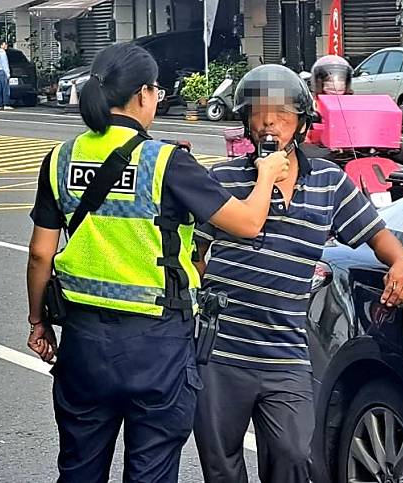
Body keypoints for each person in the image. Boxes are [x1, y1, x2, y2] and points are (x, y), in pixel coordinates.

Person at [25, 43, 290, 483]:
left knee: (78, 467)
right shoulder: (167, 162)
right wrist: (265, 175)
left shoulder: (61, 158)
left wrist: (38, 320)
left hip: (83, 340)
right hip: (157, 344)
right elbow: (246, 222)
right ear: (144, 95)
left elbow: (40, 254)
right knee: (151, 470)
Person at [193, 64, 403, 483]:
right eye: (258, 113)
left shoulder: (329, 182)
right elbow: (195, 253)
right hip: (222, 354)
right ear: (245, 120)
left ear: (301, 121)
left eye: (280, 113)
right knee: (220, 463)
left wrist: (400, 264)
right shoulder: (222, 178)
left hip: (287, 353)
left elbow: (379, 237)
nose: (268, 122)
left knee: (295, 455)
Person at [0, 40, 13, 110]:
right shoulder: (3, 53)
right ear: (1, 45)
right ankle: (6, 104)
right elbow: (5, 64)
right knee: (5, 89)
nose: (6, 45)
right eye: (5, 44)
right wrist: (8, 74)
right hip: (3, 72)